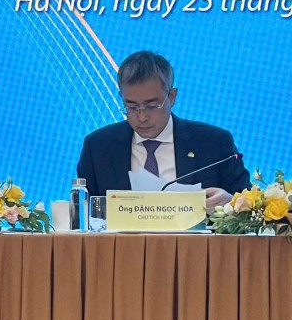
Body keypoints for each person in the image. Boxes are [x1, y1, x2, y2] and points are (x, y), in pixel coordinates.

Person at [76, 51, 249, 209]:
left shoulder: (214, 143)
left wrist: (231, 203)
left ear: (171, 97)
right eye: (132, 107)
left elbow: (252, 209)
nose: (142, 117)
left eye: (152, 106)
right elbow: (85, 216)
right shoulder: (98, 147)